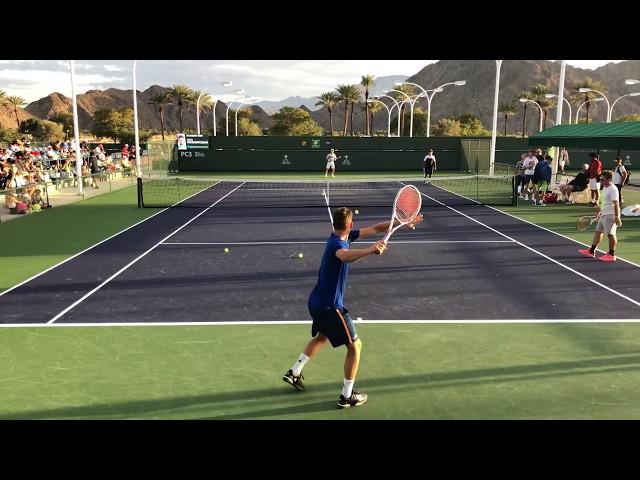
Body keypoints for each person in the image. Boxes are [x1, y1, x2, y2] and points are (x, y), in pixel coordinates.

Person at [282, 206, 423, 408]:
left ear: (335, 225)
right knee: (355, 346)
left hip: (316, 301)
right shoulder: (337, 244)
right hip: (331, 306)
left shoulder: (341, 236)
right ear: (351, 224)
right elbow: (344, 255)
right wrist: (370, 250)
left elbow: (375, 229)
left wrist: (401, 223)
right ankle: (346, 396)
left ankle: (295, 372)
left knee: (323, 336)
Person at [579, 170, 621, 262]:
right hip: (604, 214)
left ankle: (611, 254)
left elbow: (616, 203)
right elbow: (604, 202)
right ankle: (591, 251)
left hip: (611, 215)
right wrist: (599, 212)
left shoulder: (613, 189)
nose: (601, 181)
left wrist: (617, 216)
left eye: (603, 179)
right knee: (598, 231)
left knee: (610, 234)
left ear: (609, 179)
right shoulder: (605, 188)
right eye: (600, 179)